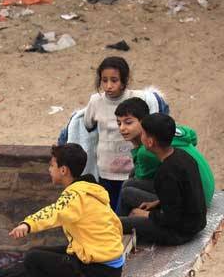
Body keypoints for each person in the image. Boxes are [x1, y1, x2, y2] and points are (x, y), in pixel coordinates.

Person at [8, 144, 124, 277]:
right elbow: (115, 223)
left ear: (63, 170)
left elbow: (55, 212)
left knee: (32, 259)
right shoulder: (91, 190)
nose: (49, 169)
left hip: (100, 273)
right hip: (109, 268)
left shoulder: (74, 195)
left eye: (52, 165)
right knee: (38, 253)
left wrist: (28, 225)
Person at [113, 97, 215, 216]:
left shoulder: (145, 151)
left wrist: (136, 146)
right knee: (130, 179)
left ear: (143, 121)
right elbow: (192, 136)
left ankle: (118, 225)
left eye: (128, 122)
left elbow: (141, 177)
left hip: (195, 199)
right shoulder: (171, 130)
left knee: (127, 192)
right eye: (119, 123)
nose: (122, 128)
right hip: (205, 188)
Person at [120, 114, 207, 246]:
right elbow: (183, 194)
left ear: (150, 142)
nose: (141, 137)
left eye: (143, 134)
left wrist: (145, 214)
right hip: (195, 222)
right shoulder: (182, 155)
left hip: (180, 232)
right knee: (127, 193)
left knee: (118, 223)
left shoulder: (165, 173)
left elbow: (172, 219)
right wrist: (157, 203)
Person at [82, 57, 151, 210]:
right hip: (106, 169)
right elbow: (87, 124)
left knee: (127, 212)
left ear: (124, 81)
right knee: (108, 212)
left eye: (114, 80)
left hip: (132, 170)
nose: (109, 86)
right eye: (104, 80)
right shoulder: (95, 101)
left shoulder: (136, 99)